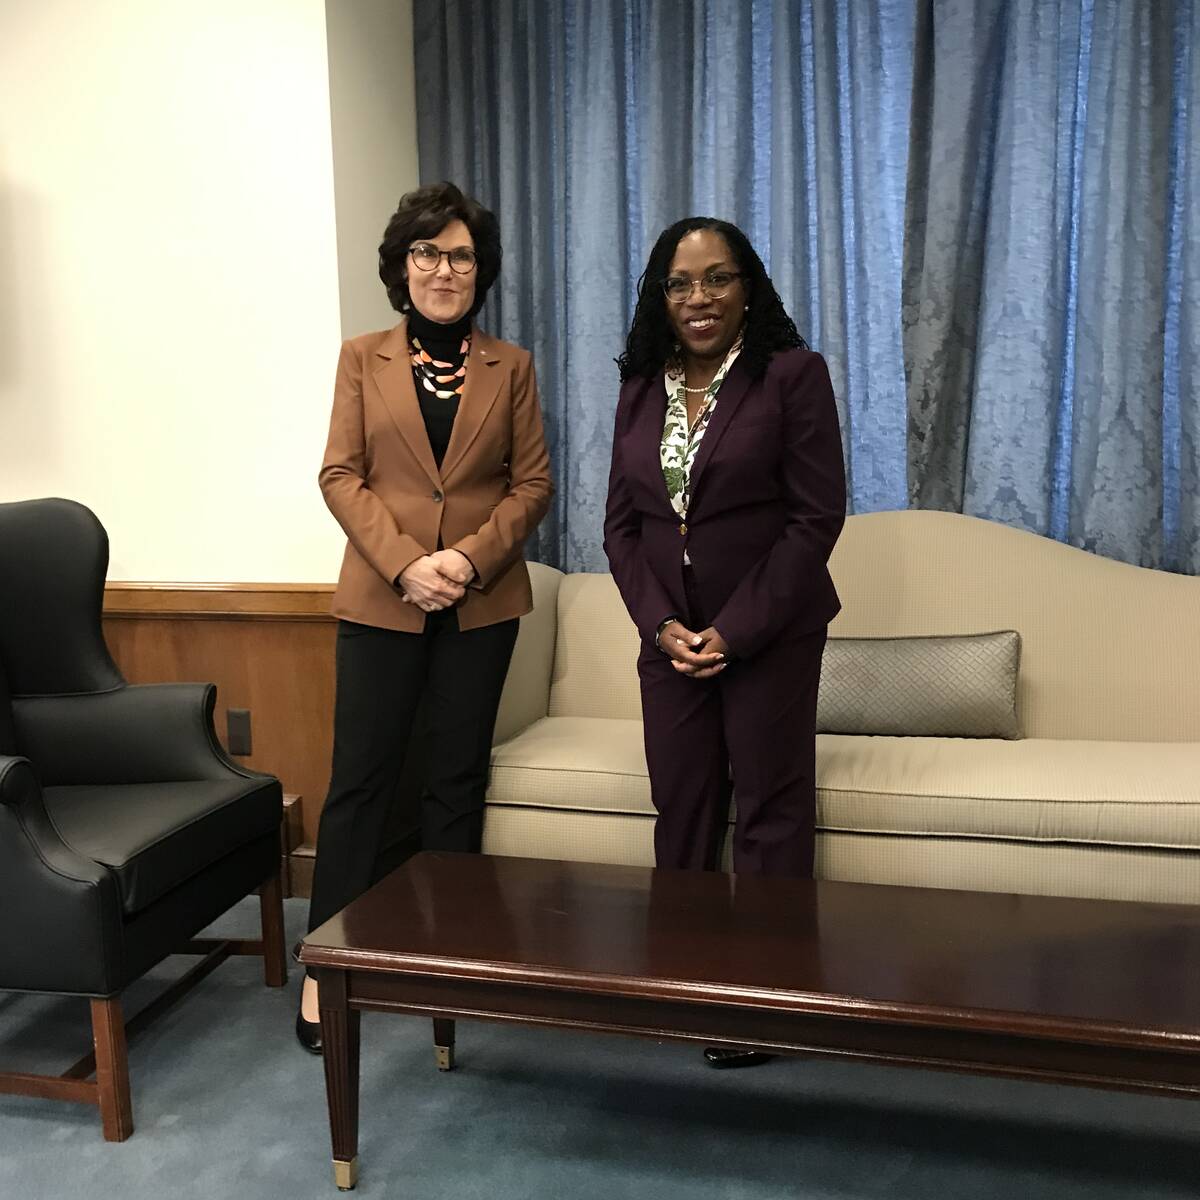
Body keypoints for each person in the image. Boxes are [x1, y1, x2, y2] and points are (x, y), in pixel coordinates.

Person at [297, 182, 553, 1053]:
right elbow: (340, 475)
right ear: (401, 266)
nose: (445, 271)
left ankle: (448, 963)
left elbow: (533, 485)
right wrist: (407, 563)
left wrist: (468, 560)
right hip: (382, 599)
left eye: (462, 257)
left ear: (482, 273)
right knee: (360, 785)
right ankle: (326, 973)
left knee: (455, 785)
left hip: (481, 606)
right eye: (428, 254)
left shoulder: (509, 366)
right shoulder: (359, 356)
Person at [604, 217, 846, 1068]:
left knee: (771, 814)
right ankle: (687, 984)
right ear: (659, 296)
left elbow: (817, 517)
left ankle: (769, 1001)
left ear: (748, 286)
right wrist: (662, 626)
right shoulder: (640, 386)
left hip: (771, 634)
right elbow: (622, 529)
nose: (698, 298)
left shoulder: (792, 376)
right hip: (669, 640)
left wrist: (733, 630)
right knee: (684, 808)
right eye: (679, 282)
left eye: (717, 278)